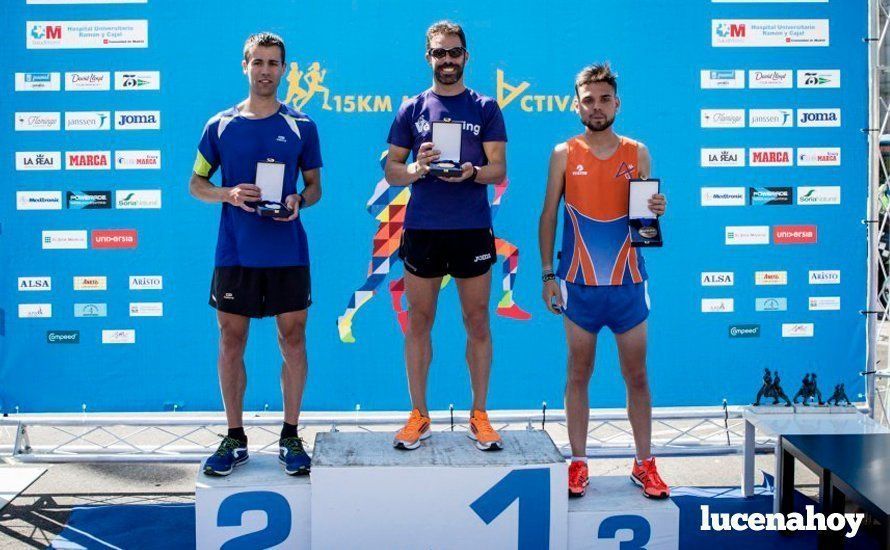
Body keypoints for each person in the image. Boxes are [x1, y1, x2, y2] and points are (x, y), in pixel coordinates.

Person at [189, 32, 322, 476]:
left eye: (274, 63)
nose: (266, 70)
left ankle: (290, 434)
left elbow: (316, 187)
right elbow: (196, 184)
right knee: (231, 341)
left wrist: (298, 201)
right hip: (235, 254)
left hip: (287, 251)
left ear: (284, 69)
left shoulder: (301, 125)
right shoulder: (219, 125)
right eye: (258, 62)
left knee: (294, 340)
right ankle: (235, 437)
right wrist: (228, 193)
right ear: (245, 65)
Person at [538, 63, 669, 498]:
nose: (596, 107)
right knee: (579, 373)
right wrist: (547, 275)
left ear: (618, 103)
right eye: (588, 100)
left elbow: (644, 219)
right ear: (577, 104)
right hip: (578, 283)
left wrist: (656, 209)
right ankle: (578, 462)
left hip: (628, 283)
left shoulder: (638, 152)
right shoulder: (564, 153)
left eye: (604, 99)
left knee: (637, 375)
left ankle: (644, 463)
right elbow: (549, 215)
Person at [384, 20, 507, 451]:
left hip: (471, 228)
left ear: (466, 56)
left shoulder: (485, 107)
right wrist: (417, 168)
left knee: (477, 321)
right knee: (419, 322)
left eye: (454, 52)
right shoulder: (412, 109)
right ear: (428, 57)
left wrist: (472, 172)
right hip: (423, 229)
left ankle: (480, 414)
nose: (448, 60)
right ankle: (419, 415)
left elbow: (498, 170)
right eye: (440, 53)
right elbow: (391, 170)